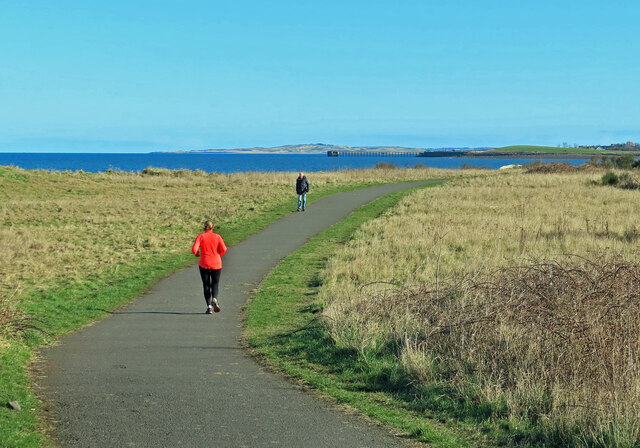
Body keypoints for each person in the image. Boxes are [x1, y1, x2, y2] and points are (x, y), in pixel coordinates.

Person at [192, 220, 227, 314]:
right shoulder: (217, 236)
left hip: (204, 263)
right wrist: (219, 254)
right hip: (216, 263)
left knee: (206, 285)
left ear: (204, 228)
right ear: (212, 228)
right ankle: (214, 299)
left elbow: (194, 249)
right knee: (215, 284)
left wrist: (197, 253)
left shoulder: (201, 237)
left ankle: (209, 306)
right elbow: (224, 249)